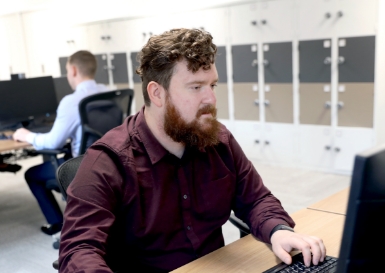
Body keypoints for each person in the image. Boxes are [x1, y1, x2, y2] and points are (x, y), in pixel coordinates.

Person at [59, 29, 326, 273]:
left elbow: (255, 199)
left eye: (213, 85)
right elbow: (79, 251)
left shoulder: (218, 141)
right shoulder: (107, 162)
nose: (211, 98)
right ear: (157, 94)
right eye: (196, 87)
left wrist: (278, 230)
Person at [12, 50, 109, 236]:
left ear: (73, 70)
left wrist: (26, 135)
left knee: (32, 175)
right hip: (109, 164)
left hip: (81, 168)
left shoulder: (72, 101)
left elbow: (52, 141)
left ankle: (58, 224)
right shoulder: (107, 92)